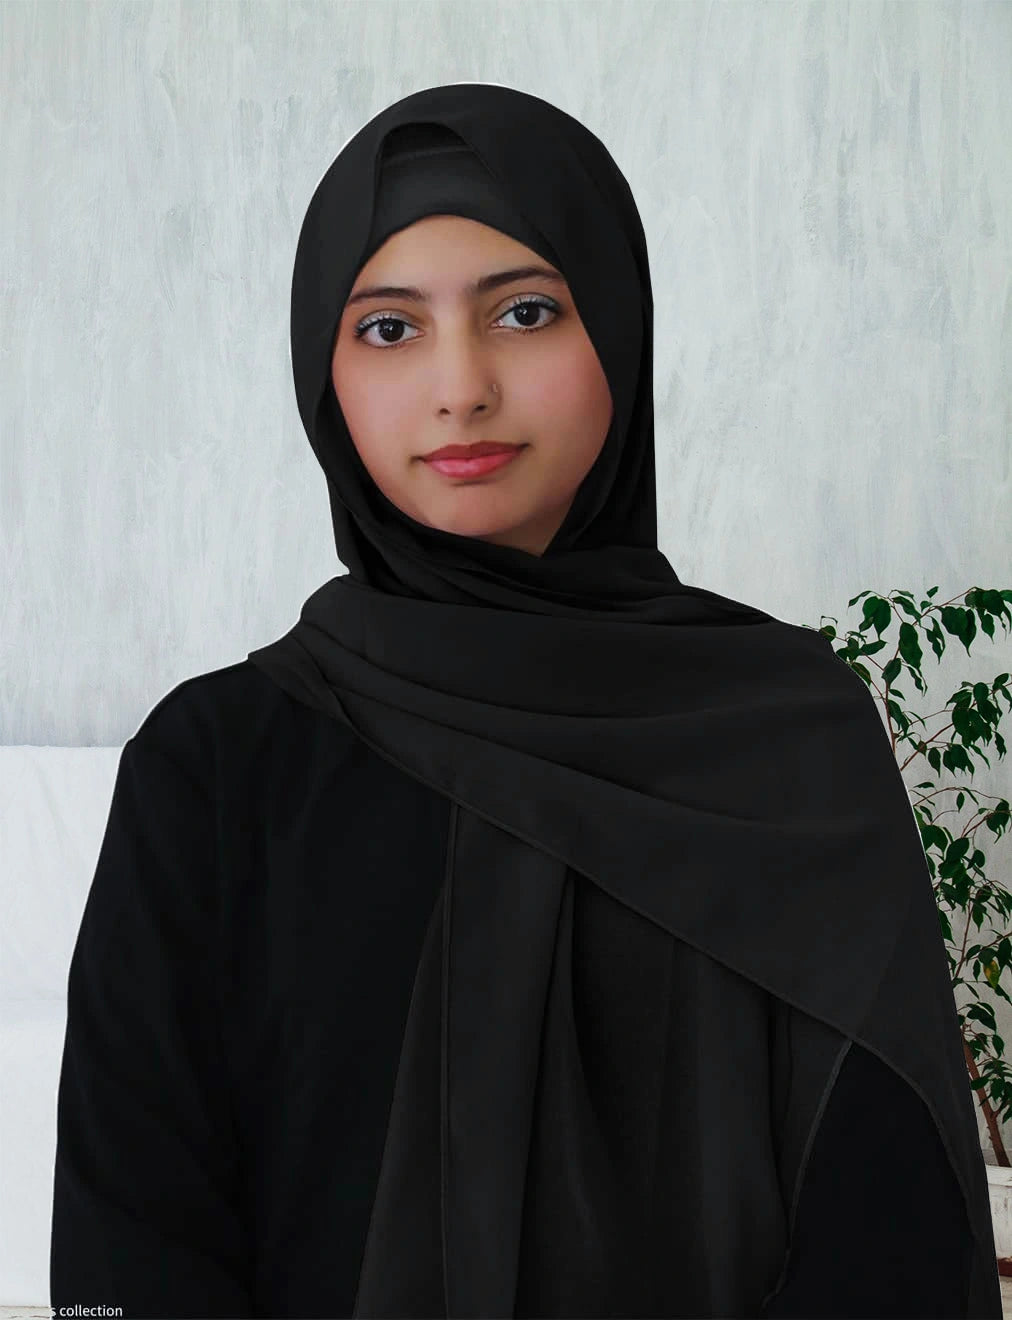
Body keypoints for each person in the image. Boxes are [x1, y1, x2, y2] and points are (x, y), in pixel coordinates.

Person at [50, 83, 1000, 1319]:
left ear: (620, 329)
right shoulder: (221, 761)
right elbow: (138, 1228)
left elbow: (891, 1216)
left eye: (527, 312)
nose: (460, 388)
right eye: (388, 329)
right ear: (320, 374)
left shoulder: (790, 738)